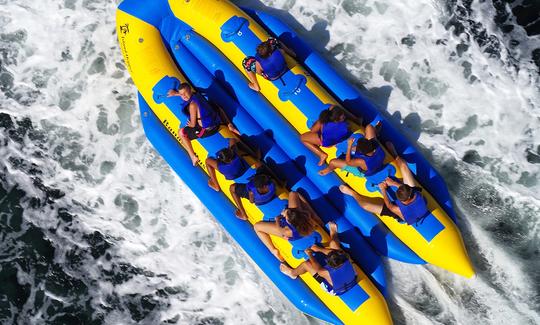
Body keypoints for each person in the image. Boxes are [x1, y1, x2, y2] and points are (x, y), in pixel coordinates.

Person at [339, 156, 430, 225]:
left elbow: (390, 206)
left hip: (401, 214)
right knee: (403, 166)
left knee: (365, 206)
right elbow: (406, 188)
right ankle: (394, 154)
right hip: (409, 199)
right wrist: (394, 183)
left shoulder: (398, 209)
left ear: (402, 201)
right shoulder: (416, 194)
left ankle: (352, 193)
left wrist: (383, 189)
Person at [167, 83, 238, 166]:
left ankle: (193, 156)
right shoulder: (197, 95)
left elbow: (193, 125)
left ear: (190, 90)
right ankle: (229, 124)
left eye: (185, 93)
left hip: (208, 130)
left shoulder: (192, 105)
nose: (184, 96)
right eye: (182, 94)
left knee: (181, 133)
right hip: (216, 122)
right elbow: (186, 94)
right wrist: (175, 93)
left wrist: (190, 125)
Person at [280, 222, 358, 296]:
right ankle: (333, 233)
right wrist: (318, 249)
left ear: (329, 265)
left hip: (336, 290)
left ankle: (293, 273)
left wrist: (310, 254)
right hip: (353, 278)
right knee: (334, 244)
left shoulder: (325, 272)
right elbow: (334, 253)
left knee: (306, 264)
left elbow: (315, 265)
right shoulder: (346, 258)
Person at [253, 191, 325, 261]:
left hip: (294, 236)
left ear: (289, 222)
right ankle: (315, 215)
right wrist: (314, 215)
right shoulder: (304, 214)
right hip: (305, 229)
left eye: (286, 217)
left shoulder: (287, 231)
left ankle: (273, 250)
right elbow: (293, 193)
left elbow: (279, 229)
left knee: (257, 227)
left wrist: (278, 218)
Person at [318, 124, 386, 176]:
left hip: (364, 170)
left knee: (333, 162)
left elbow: (348, 162)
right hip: (374, 158)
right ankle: (376, 132)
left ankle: (329, 169)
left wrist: (349, 145)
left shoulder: (361, 161)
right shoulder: (376, 145)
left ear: (361, 152)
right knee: (369, 127)